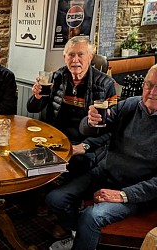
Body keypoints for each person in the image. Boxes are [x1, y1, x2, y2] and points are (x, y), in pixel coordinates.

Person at [46, 64, 157, 250]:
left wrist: (123, 195)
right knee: (55, 199)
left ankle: (83, 236)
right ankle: (78, 235)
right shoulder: (131, 104)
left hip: (136, 192)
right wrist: (90, 121)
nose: (152, 92)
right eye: (149, 85)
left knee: (91, 216)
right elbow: (96, 127)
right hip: (105, 173)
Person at [27, 36, 117, 178]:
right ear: (65, 57)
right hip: (55, 139)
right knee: (24, 159)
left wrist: (84, 146)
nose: (75, 60)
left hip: (84, 145)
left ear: (90, 57)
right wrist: (37, 97)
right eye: (71, 55)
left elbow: (111, 128)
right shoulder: (56, 77)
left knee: (69, 169)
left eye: (80, 54)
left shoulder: (106, 84)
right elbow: (32, 109)